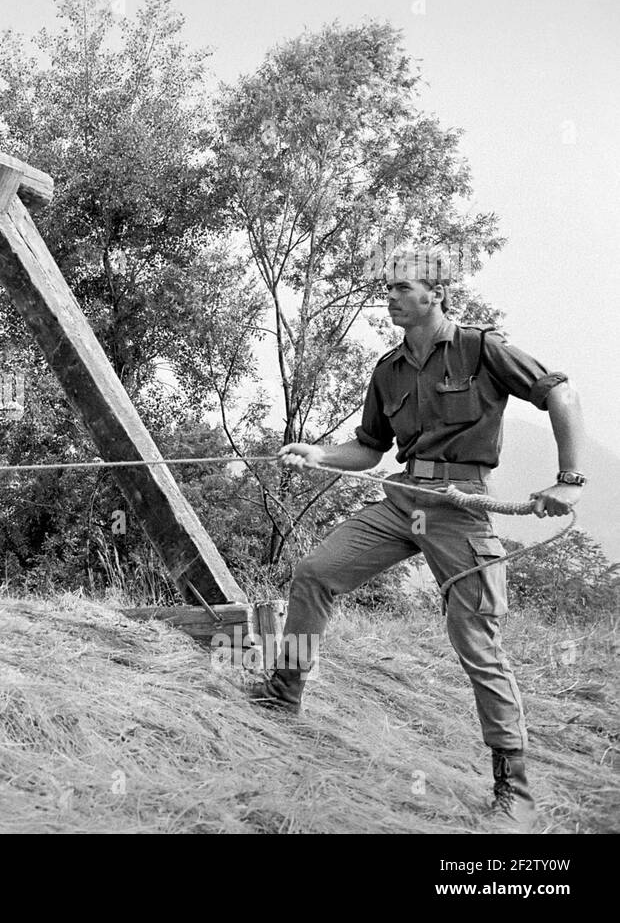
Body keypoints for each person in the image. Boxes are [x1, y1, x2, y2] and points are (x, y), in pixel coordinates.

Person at [249, 246, 585, 832]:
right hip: (404, 500)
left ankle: (515, 790)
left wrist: (569, 480)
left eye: (403, 288)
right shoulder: (388, 369)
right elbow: (368, 449)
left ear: (437, 294)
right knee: (315, 573)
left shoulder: (481, 347)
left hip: (460, 507)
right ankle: (284, 693)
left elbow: (562, 393)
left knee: (476, 640)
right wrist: (318, 453)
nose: (391, 298)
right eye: (388, 289)